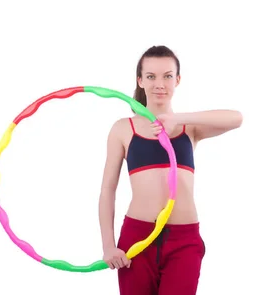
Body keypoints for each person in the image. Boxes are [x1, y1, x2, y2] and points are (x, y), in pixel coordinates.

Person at [98, 45, 243, 295]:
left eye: (167, 76)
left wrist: (178, 118)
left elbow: (236, 118)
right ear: (140, 80)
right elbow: (107, 189)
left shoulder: (189, 128)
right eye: (151, 77)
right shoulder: (123, 128)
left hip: (184, 241)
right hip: (137, 239)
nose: (159, 84)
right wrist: (109, 246)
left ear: (177, 80)